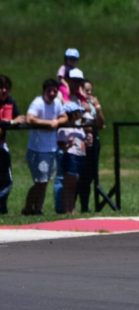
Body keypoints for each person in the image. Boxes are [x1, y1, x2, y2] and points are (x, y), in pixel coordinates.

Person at [22, 78, 67, 215]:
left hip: (51, 149)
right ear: (44, 91)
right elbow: (30, 118)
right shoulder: (38, 103)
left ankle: (38, 209)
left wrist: (57, 121)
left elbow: (64, 116)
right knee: (40, 182)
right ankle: (28, 208)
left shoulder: (57, 103)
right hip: (38, 149)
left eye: (55, 91)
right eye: (50, 91)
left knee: (45, 181)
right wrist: (48, 123)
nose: (53, 93)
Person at [77, 79, 105, 212]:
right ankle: (73, 205)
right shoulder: (77, 103)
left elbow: (101, 124)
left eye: (90, 90)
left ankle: (85, 206)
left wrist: (98, 109)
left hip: (94, 142)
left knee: (90, 175)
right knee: (80, 175)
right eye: (86, 90)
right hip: (81, 142)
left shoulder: (93, 104)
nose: (89, 93)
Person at [0, 74, 25, 215]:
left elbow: (18, 117)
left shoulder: (10, 101)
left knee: (7, 180)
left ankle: (2, 208)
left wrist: (15, 121)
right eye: (1, 88)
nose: (4, 91)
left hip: (2, 145)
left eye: (6, 88)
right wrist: (10, 123)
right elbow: (13, 121)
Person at [56, 102, 87, 214]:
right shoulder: (64, 129)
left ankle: (71, 207)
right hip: (70, 155)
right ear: (72, 114)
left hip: (80, 155)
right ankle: (66, 208)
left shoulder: (78, 126)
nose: (80, 113)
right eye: (78, 112)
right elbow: (60, 144)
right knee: (69, 183)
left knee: (75, 184)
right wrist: (67, 145)